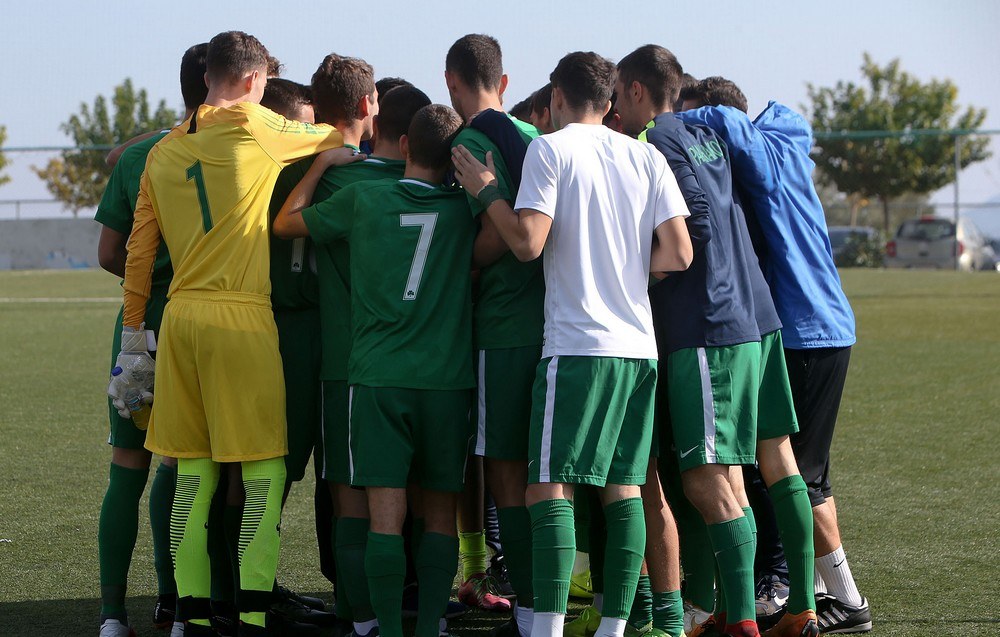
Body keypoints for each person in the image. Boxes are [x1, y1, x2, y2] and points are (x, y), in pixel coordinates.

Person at [114, 31, 359, 636]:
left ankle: (193, 619)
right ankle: (250, 617)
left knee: (192, 476)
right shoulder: (259, 126)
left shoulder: (161, 152)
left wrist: (132, 339)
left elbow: (138, 255)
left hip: (179, 322)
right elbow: (339, 137)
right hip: (241, 317)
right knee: (262, 475)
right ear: (253, 81)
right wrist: (323, 160)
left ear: (207, 78)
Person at [452, 50, 693, 637]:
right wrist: (626, 275)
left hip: (577, 345)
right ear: (610, 102)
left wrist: (488, 192)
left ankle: (548, 628)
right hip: (638, 348)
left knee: (547, 487)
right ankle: (614, 627)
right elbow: (680, 253)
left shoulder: (550, 149)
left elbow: (527, 243)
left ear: (556, 97)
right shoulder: (645, 155)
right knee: (623, 488)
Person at [616, 45, 819, 637]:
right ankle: (793, 606)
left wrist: (637, 272)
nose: (614, 107)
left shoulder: (655, 139)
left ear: (636, 90)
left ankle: (743, 623)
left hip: (710, 326)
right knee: (770, 461)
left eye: (618, 94)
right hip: (758, 317)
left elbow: (696, 223)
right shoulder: (706, 133)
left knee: (705, 478)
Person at [677, 78, 871, 635]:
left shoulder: (752, 148)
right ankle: (828, 594)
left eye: (699, 122)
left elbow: (731, 127)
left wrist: (674, 122)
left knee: (788, 473)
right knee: (802, 474)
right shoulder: (784, 139)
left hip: (803, 331)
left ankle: (804, 590)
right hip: (827, 324)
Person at [275, 103, 475, 637]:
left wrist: (320, 165)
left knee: (383, 517)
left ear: (405, 145)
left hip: (377, 378)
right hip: (447, 383)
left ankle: (381, 627)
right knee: (439, 515)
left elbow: (285, 223)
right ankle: (431, 627)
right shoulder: (464, 211)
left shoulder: (362, 198)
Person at [95, 41, 207, 637]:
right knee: (182, 466)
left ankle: (113, 616)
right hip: (196, 324)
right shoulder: (233, 150)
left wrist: (150, 279)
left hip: (137, 327)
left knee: (127, 468)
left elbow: (108, 253)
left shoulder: (141, 155)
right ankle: (175, 605)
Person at [444, 33, 542, 629]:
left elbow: (491, 237)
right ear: (503, 82)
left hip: (503, 327)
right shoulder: (533, 134)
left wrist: (457, 265)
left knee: (506, 474)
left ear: (451, 82)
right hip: (553, 326)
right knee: (548, 477)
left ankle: (529, 611)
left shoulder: (469, 142)